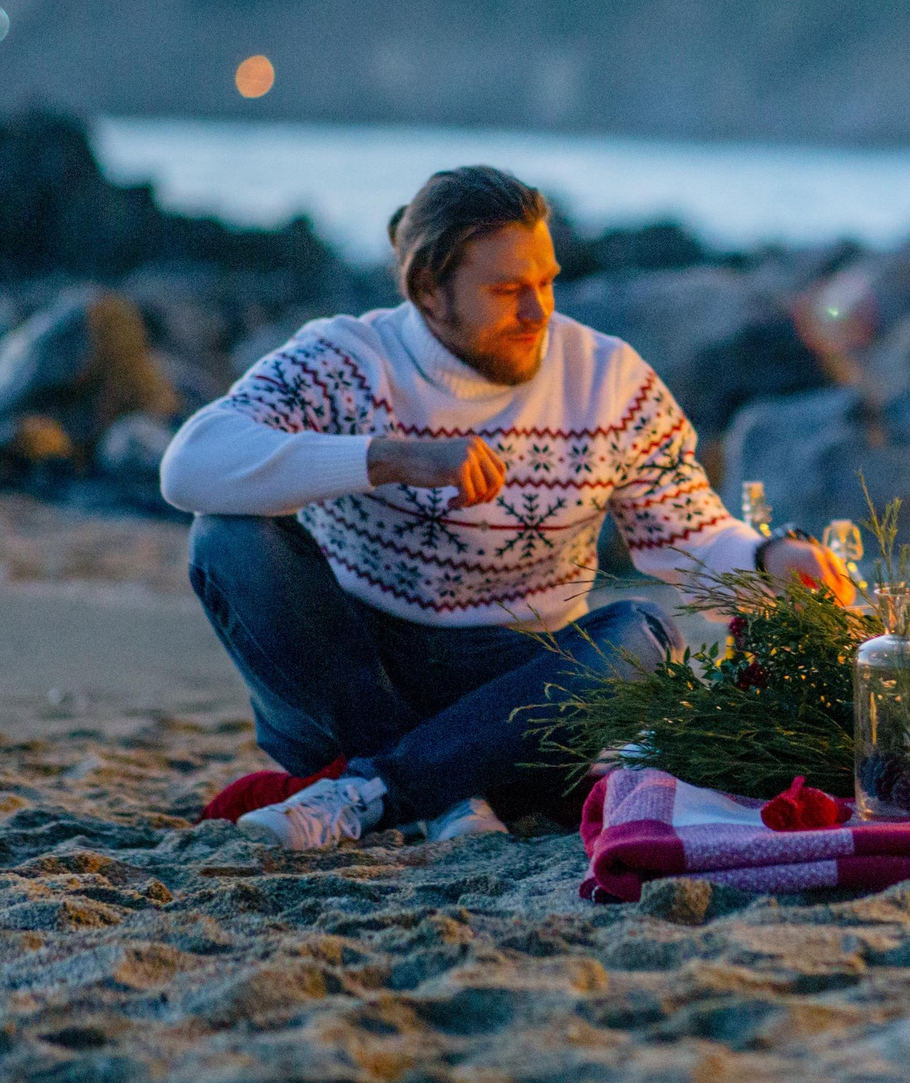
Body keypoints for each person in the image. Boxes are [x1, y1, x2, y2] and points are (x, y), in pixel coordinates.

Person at [160, 165, 848, 851]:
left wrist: (768, 557)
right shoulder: (349, 359)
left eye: (546, 281)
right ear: (429, 291)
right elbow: (190, 463)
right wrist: (386, 457)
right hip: (351, 681)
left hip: (519, 691)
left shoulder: (609, 381)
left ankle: (374, 789)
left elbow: (688, 531)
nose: (538, 311)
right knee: (227, 535)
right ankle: (436, 783)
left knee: (642, 633)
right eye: (507, 290)